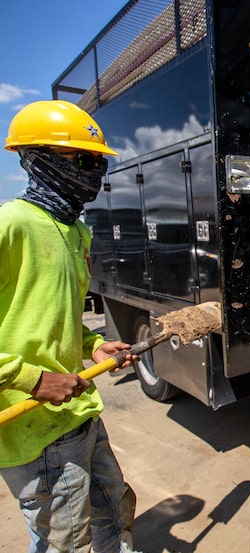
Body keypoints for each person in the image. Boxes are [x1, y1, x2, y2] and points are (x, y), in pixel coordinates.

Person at [0, 100, 141, 553]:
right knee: (65, 541)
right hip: (31, 426)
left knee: (114, 507)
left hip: (77, 411)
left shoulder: (74, 231)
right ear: (37, 158)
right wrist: (33, 379)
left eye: (98, 162)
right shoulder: (12, 224)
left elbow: (59, 316)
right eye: (82, 160)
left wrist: (94, 345)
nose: (94, 173)